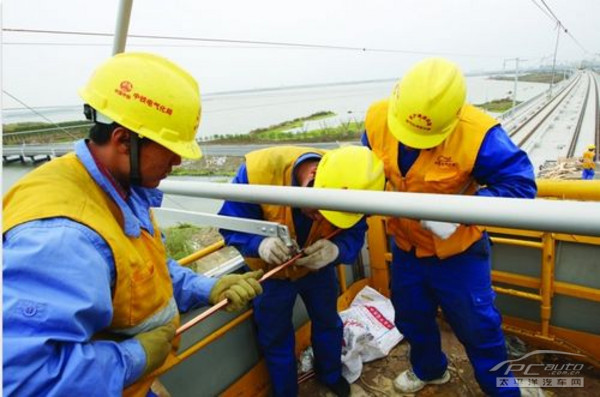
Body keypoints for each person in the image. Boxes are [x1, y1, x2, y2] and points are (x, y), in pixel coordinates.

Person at [2, 52, 263, 397]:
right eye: (170, 148)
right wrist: (135, 357)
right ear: (124, 140)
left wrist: (206, 288)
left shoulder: (120, 189)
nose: (178, 160)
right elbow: (26, 380)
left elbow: (140, 270)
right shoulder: (62, 237)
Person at [362, 58, 537, 396]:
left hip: (459, 253)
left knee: (478, 327)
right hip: (406, 247)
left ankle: (501, 388)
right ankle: (429, 370)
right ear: (397, 99)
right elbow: (364, 169)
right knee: (412, 317)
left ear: (456, 115)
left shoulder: (479, 135)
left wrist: (459, 212)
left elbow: (520, 187)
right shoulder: (376, 119)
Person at [218, 145, 385, 397]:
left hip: (318, 271)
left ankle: (330, 374)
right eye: (320, 211)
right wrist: (259, 244)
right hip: (270, 276)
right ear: (312, 181)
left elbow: (354, 229)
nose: (320, 219)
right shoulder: (258, 173)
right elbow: (230, 224)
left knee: (328, 322)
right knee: (276, 339)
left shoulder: (352, 182)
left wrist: (336, 250)